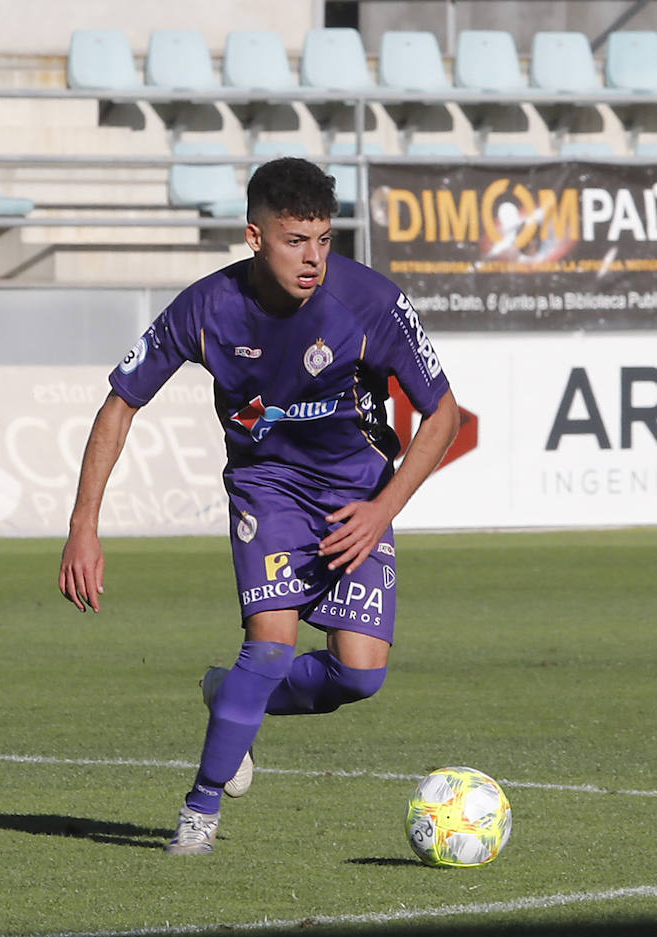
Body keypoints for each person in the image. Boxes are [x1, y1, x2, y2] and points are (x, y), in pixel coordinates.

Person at [57, 157, 460, 855]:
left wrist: (381, 507)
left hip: (354, 499)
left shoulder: (370, 302)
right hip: (267, 489)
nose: (312, 258)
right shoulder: (205, 308)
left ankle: (230, 696)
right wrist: (83, 525)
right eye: (294, 240)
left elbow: (444, 413)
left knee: (359, 675)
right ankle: (199, 813)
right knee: (268, 646)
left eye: (324, 240)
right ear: (254, 236)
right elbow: (121, 401)